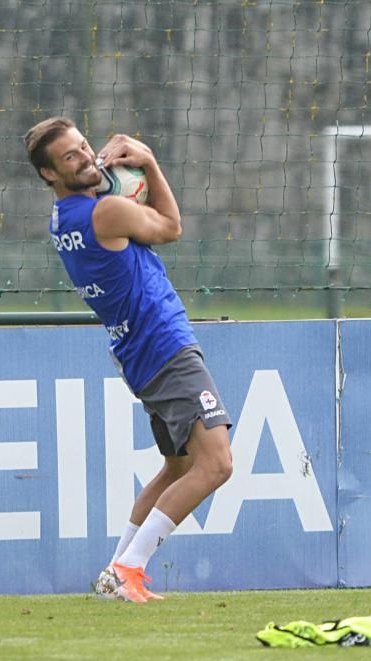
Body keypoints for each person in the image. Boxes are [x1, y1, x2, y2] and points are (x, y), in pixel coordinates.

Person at [23, 118, 233, 603]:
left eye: (84, 147)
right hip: (165, 346)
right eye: (71, 157)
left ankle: (112, 575)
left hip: (137, 353)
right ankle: (128, 568)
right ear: (49, 175)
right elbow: (173, 226)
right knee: (217, 463)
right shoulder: (107, 213)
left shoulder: (65, 219)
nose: (86, 158)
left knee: (178, 468)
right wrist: (151, 164)